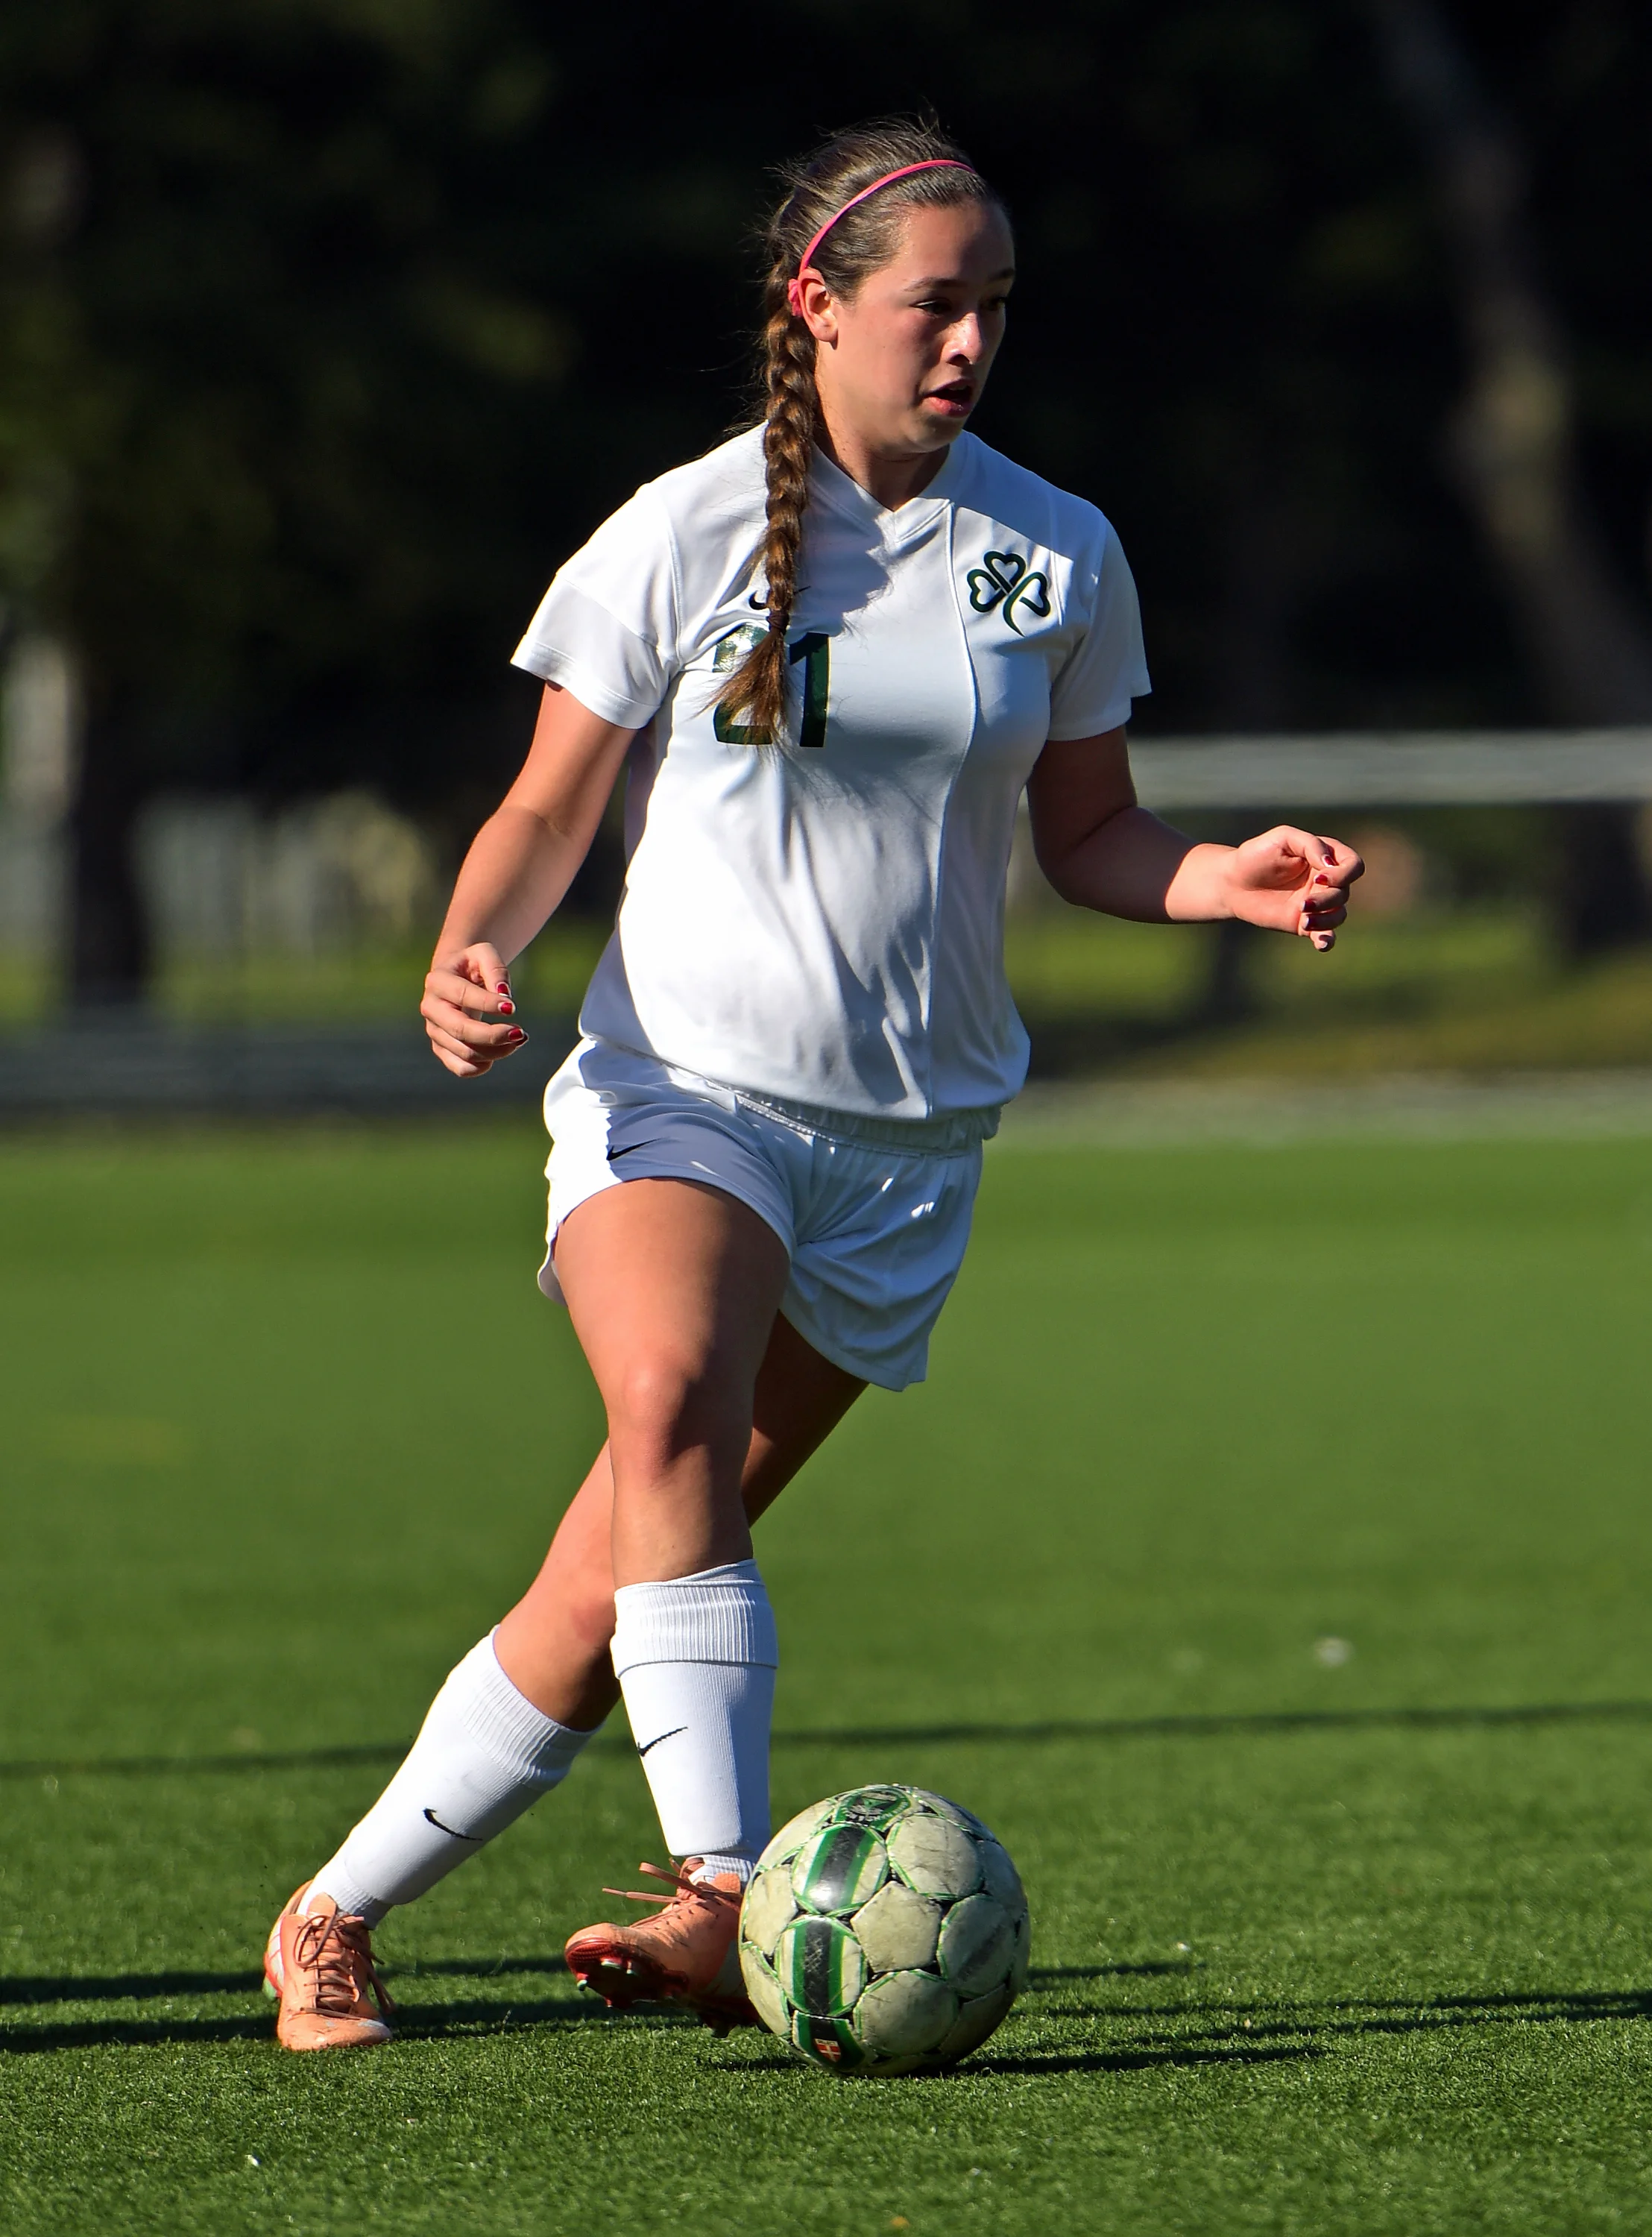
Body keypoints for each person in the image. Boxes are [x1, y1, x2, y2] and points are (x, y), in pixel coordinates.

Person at [262, 116, 1363, 2052]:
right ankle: (723, 1893)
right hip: (682, 1090)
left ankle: (332, 1914)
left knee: (609, 1580)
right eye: (936, 304)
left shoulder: (1057, 550)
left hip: (907, 1160)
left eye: (997, 307)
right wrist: (471, 942)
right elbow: (547, 805)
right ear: (819, 305)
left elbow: (1090, 834)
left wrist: (1221, 879)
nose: (972, 343)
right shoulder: (681, 532)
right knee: (668, 1402)